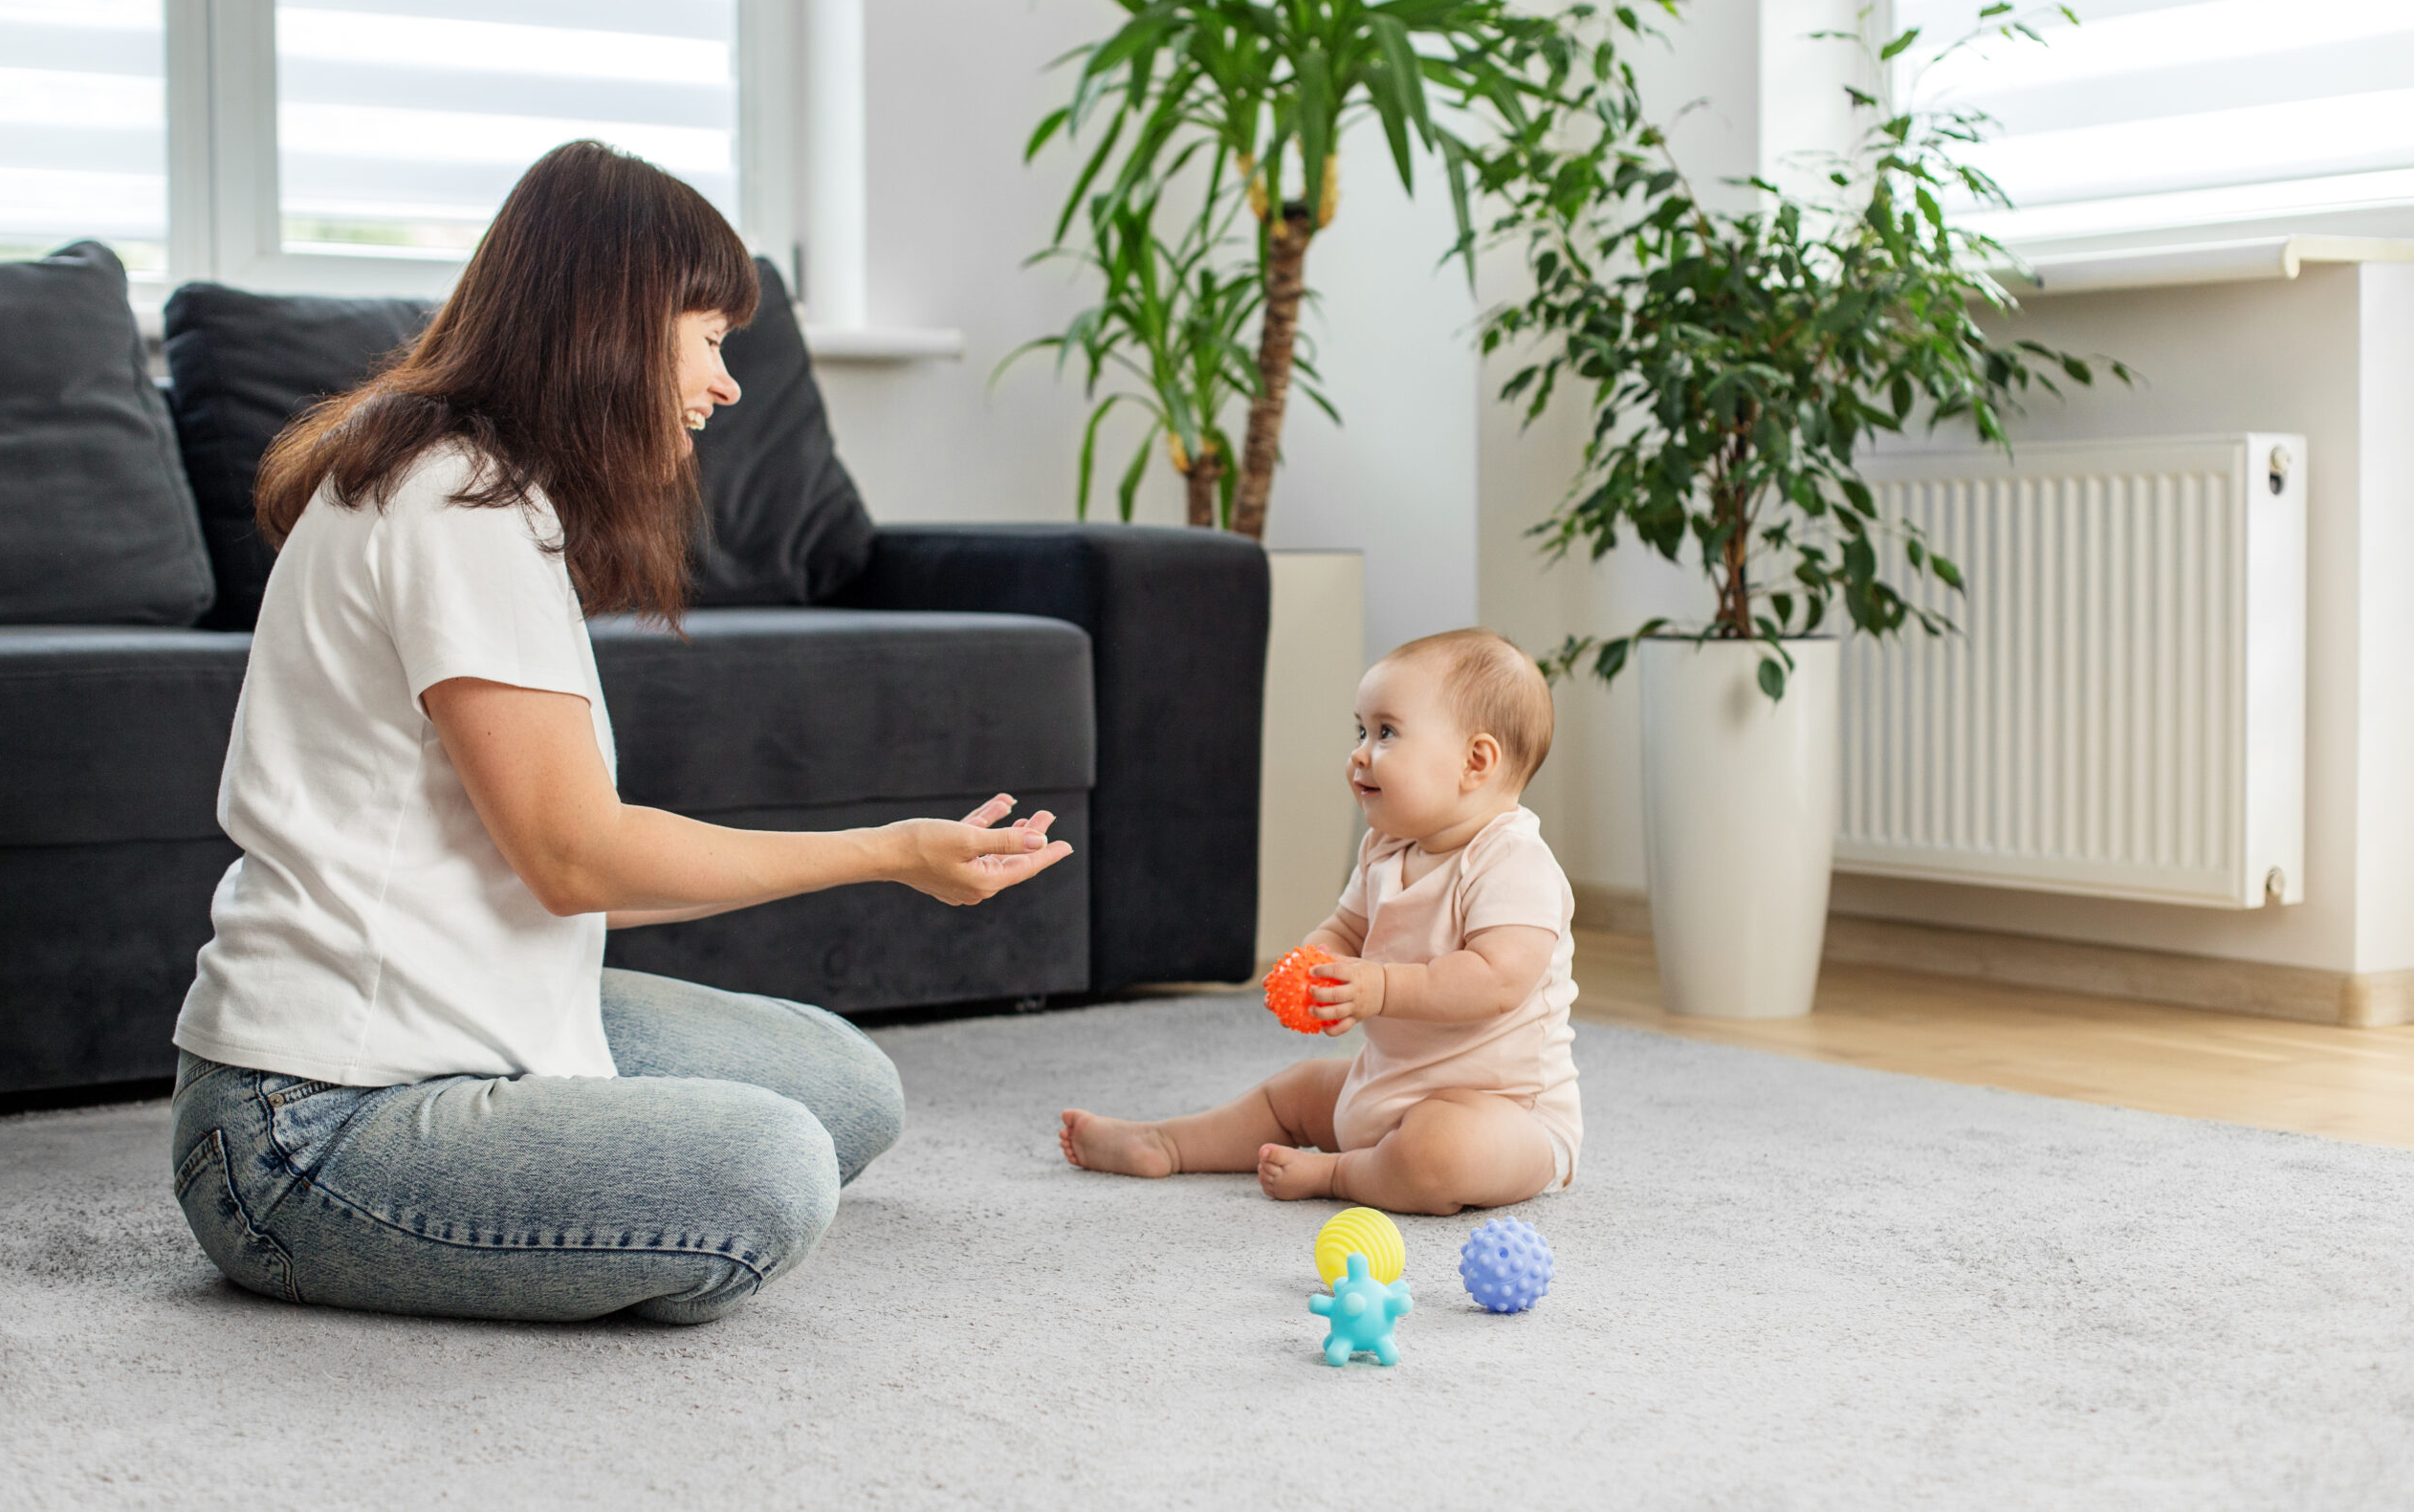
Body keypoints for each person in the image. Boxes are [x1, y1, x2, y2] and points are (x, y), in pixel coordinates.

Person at [166, 141, 1071, 1325]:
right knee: (770, 1169)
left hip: (461, 1016)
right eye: (708, 335)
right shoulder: (452, 501)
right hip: (311, 1118)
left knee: (843, 1086)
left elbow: (569, 879)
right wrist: (887, 850)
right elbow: (576, 860)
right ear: (615, 322)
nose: (727, 380)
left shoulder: (482, 488)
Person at [1060, 628, 1577, 1215]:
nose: (1359, 753)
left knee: (1438, 1153)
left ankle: (1341, 1174)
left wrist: (1379, 987)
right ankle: (1169, 1143)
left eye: (1386, 733)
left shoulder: (1513, 859)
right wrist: (1319, 967)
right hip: (1386, 1084)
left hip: (1504, 1115)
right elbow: (1347, 929)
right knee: (1298, 1090)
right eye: (1360, 731)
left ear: (1474, 762)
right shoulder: (1386, 847)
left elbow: (1497, 980)